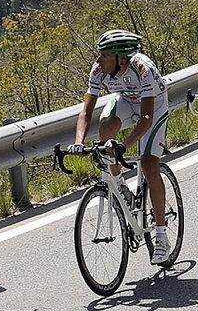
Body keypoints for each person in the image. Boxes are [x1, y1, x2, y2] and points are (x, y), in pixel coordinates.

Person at [70, 29, 171, 265]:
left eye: (104, 55)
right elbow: (86, 111)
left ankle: (161, 234)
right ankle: (120, 184)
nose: (98, 60)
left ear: (121, 58)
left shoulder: (143, 68)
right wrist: (78, 142)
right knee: (106, 129)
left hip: (153, 107)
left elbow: (146, 118)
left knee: (148, 163)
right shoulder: (99, 71)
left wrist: (124, 146)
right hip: (125, 99)